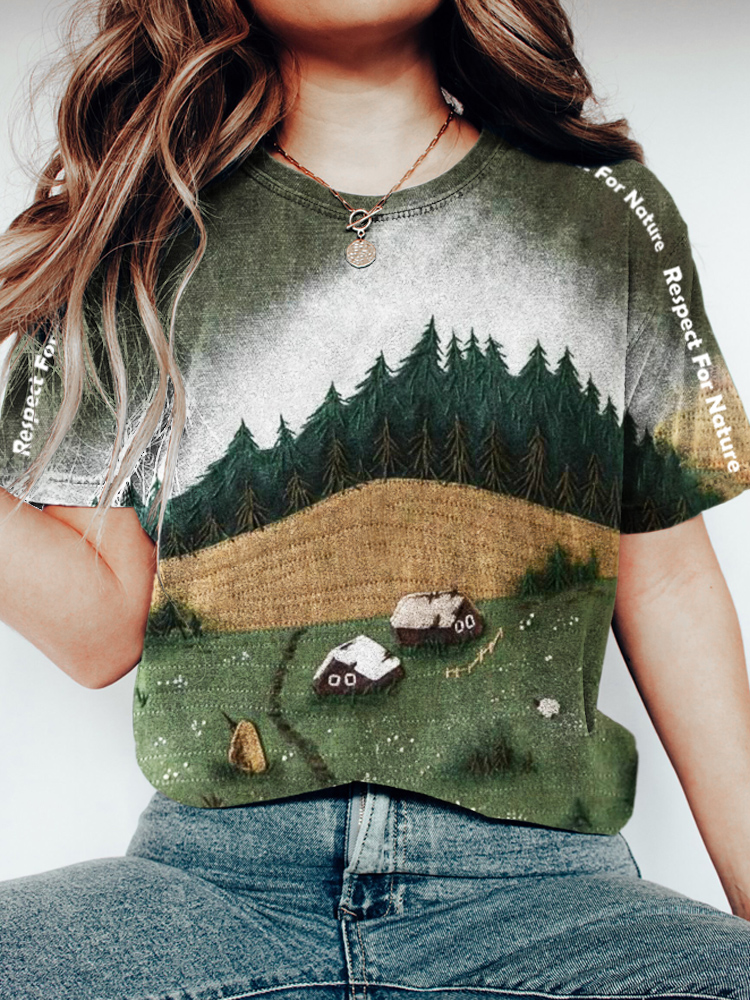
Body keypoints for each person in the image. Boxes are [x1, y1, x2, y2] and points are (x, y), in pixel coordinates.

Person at [1, 0, 750, 996]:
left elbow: (669, 586)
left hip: (546, 896)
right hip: (212, 888)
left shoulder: (608, 209)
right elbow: (99, 629)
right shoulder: (137, 227)